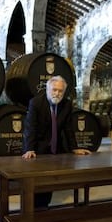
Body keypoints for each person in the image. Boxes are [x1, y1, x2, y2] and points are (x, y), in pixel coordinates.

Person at [22, 75, 91, 208]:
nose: (57, 93)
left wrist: (74, 148)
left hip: (55, 149)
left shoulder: (66, 104)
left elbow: (68, 128)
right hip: (37, 149)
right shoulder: (36, 103)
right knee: (36, 184)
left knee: (48, 184)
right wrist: (29, 149)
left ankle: (43, 208)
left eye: (60, 91)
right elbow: (31, 127)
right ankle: (34, 210)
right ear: (47, 89)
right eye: (54, 90)